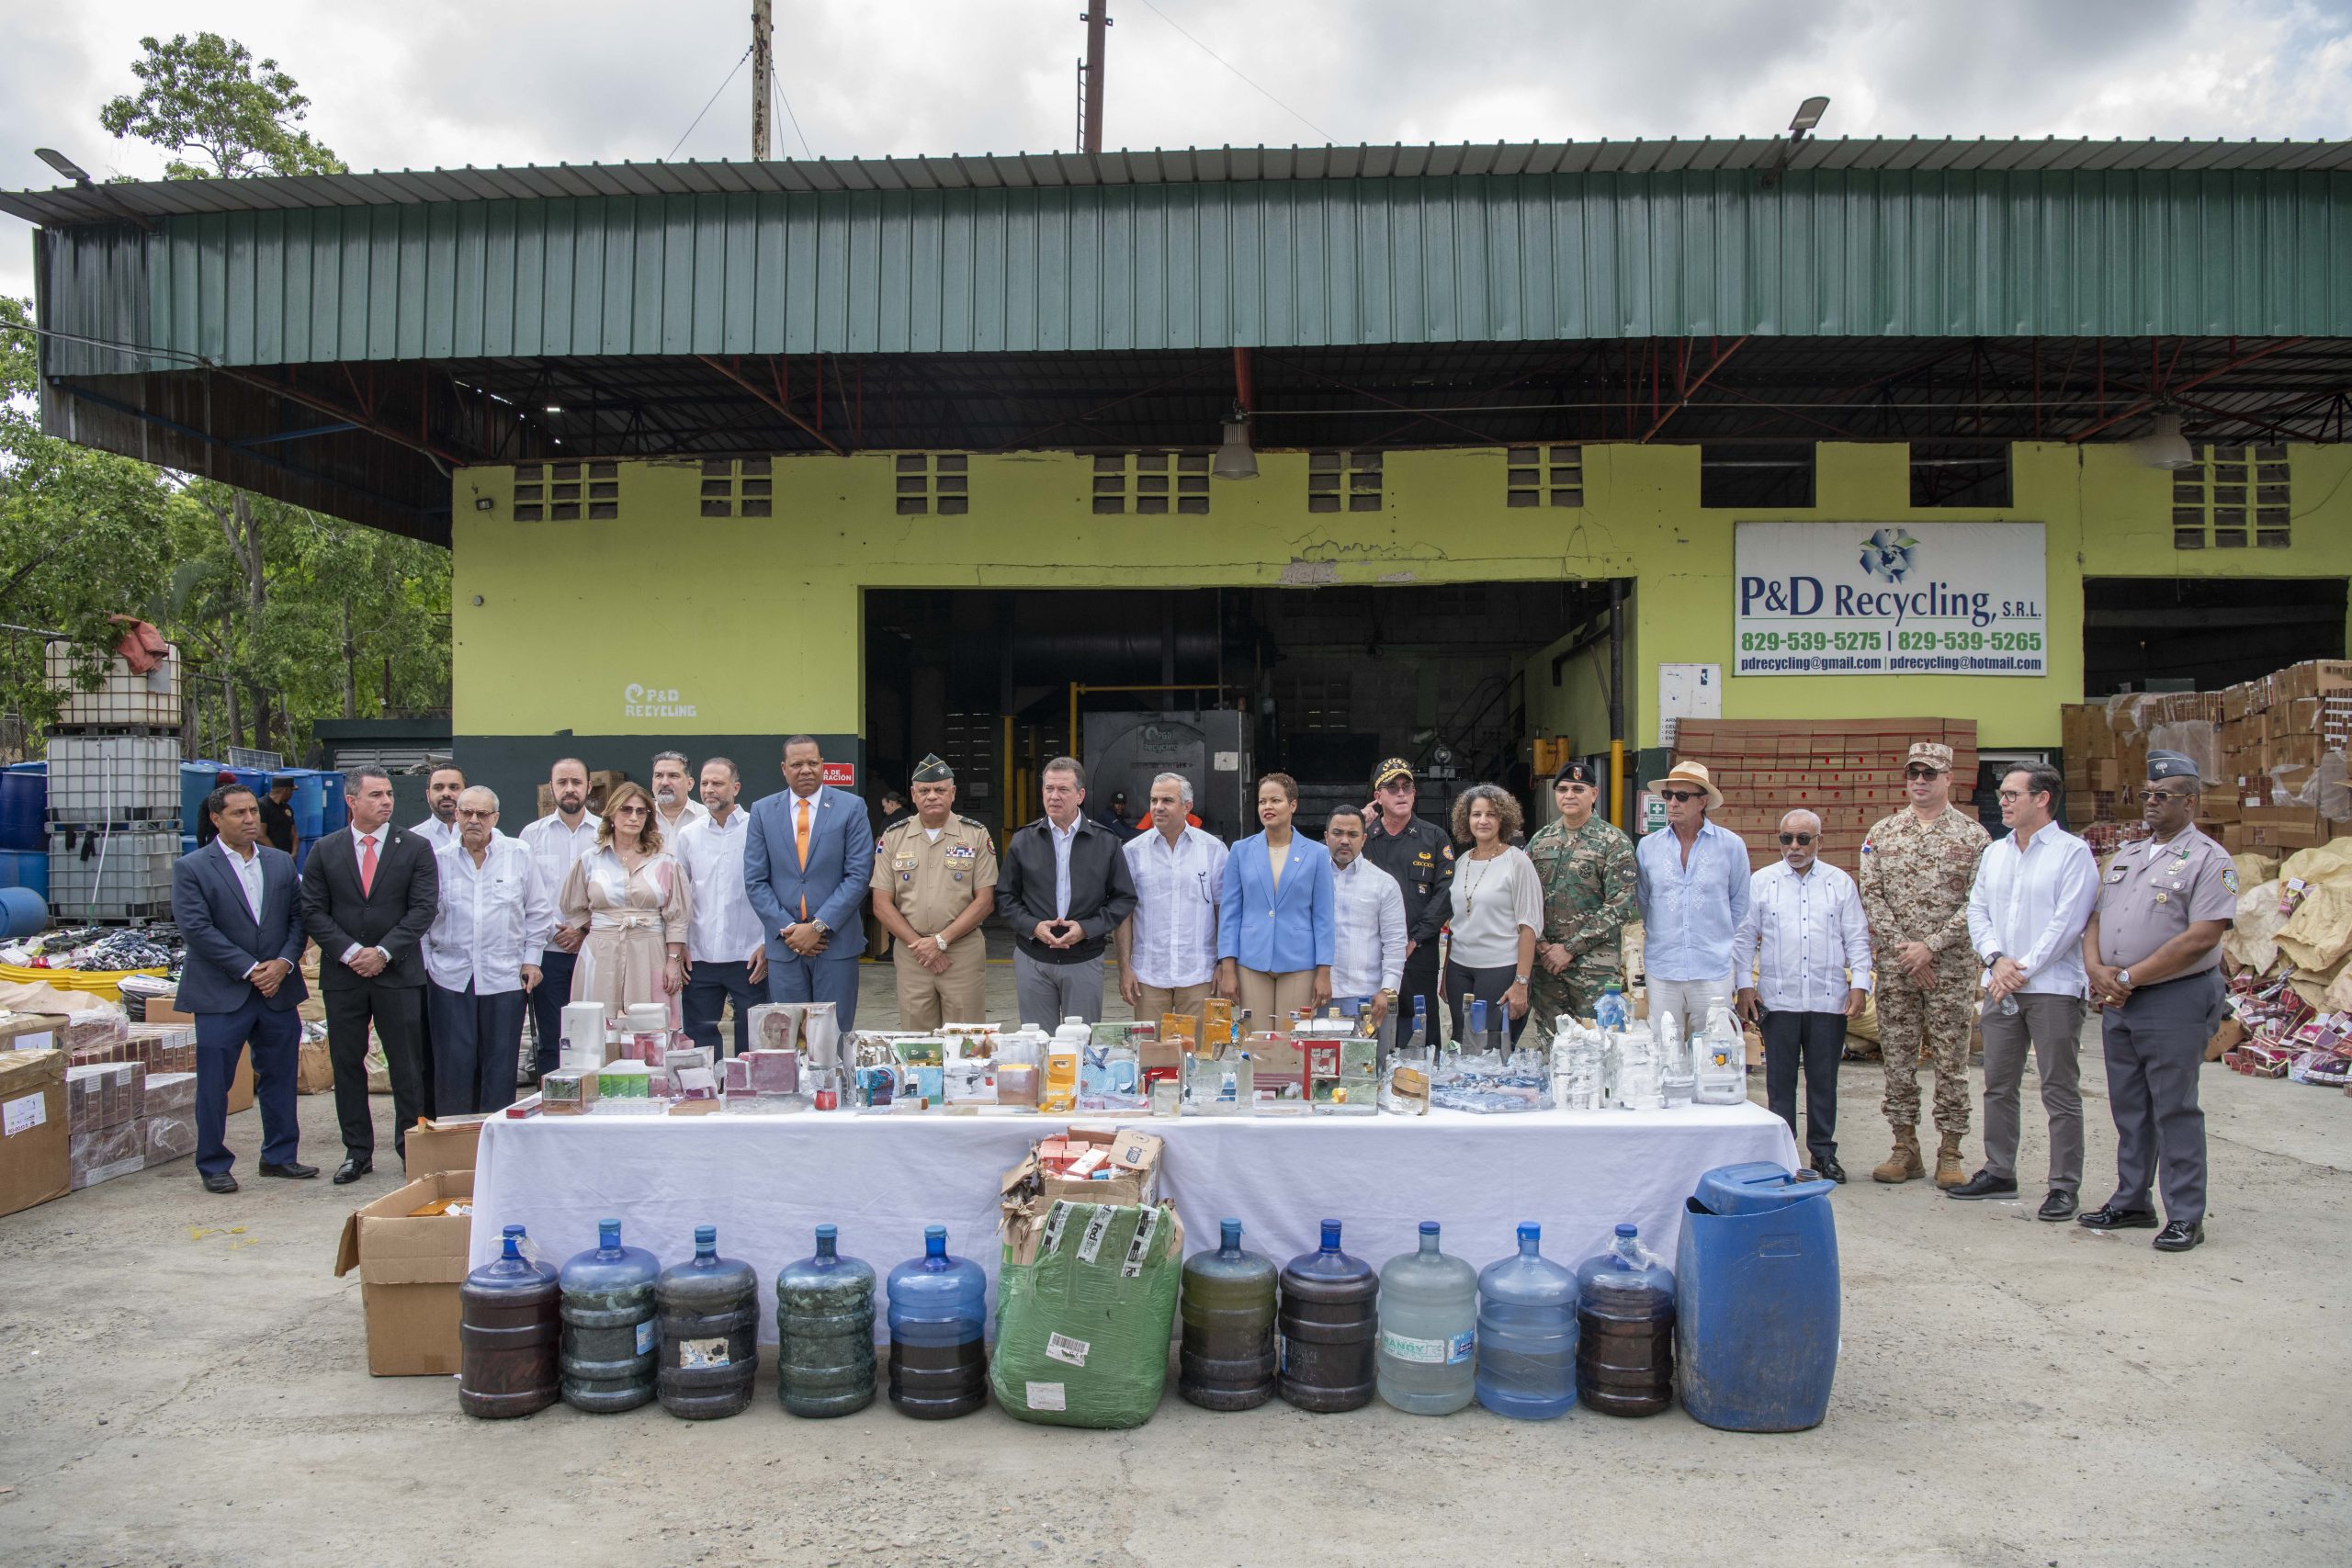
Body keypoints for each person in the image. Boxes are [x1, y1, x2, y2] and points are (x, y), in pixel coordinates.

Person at [2079, 750, 2237, 1253]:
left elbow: (2202, 937)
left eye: (2162, 795)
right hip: (2120, 999)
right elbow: (2096, 920)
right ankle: (2132, 1200)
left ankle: (2186, 1214)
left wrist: (2129, 975)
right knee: (2130, 1108)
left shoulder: (2210, 860)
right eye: (2146, 793)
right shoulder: (2126, 855)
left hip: (2175, 997)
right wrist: (2098, 970)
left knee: (2174, 1108)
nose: (2150, 802)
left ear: (2190, 802)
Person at [1954, 762, 2098, 1217]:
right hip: (2000, 985)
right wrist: (1997, 960)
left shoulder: (2073, 853)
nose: (2003, 801)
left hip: (2052, 987)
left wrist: (2024, 968)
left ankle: (2063, 1186)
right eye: (2003, 794)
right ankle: (1999, 1171)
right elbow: (1976, 910)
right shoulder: (1996, 853)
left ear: (2043, 799)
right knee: (1998, 1084)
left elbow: (2068, 921)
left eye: (2013, 794)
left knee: (2058, 1088)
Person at [1858, 739, 1991, 1189]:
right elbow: (1871, 895)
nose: (1919, 781)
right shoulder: (1883, 833)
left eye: (1929, 774)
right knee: (1897, 1060)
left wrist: (1930, 947)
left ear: (1949, 779)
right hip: (1898, 969)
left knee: (1951, 1062)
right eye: (1913, 773)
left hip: (1949, 970)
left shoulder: (1974, 837)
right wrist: (1907, 951)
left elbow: (1978, 903)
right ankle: (1904, 1147)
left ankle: (1950, 1151)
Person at [170, 784, 313, 1194]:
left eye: (253, 811)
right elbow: (197, 929)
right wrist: (251, 969)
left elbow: (298, 920)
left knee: (281, 1076)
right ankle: (213, 1162)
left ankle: (280, 1156)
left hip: (277, 991)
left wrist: (284, 963)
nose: (251, 819)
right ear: (217, 819)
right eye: (240, 813)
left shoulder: (280, 864)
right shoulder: (193, 867)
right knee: (216, 1083)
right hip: (221, 993)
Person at [300, 764, 439, 1182]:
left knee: (407, 1067)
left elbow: (423, 909)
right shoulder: (326, 849)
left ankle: (410, 1148)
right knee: (346, 1064)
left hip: (397, 973)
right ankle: (357, 1152)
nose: (386, 802)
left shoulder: (413, 847)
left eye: (389, 794)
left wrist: (382, 951)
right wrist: (349, 952)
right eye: (376, 795)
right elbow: (312, 910)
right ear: (352, 801)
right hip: (345, 978)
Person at [1735, 808, 1872, 1183]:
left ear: (1819, 842)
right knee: (1779, 1082)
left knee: (1823, 1080)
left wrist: (1860, 983)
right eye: (1786, 839)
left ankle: (1824, 1154)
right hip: (1778, 999)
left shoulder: (1839, 882)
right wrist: (1744, 984)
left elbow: (1857, 937)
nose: (1794, 847)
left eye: (1802, 839)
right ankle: (1783, 1155)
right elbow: (1745, 938)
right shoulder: (1762, 882)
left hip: (1828, 999)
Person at [422, 786, 550, 1115]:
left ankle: (496, 1142)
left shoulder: (518, 853)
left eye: (482, 814)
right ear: (457, 816)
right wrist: (428, 967)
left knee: (500, 1067)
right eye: (466, 813)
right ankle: (456, 1149)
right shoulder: (438, 861)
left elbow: (537, 912)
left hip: (505, 977)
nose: (473, 820)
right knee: (453, 1067)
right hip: (451, 978)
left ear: (495, 817)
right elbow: (422, 919)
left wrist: (532, 961)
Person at [996, 756, 1137, 1028]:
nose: (1054, 796)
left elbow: (1123, 898)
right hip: (1033, 957)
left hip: (1083, 958)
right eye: (1049, 789)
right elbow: (1005, 897)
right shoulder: (1023, 840)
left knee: (1081, 1047)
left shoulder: (1105, 841)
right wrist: (1033, 926)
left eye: (1063, 790)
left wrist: (1087, 928)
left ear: (1080, 795)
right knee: (1038, 1044)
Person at [743, 736, 874, 1029]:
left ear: (823, 766)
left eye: (813, 763)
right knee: (788, 1038)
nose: (806, 770)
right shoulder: (763, 811)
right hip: (785, 947)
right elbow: (755, 880)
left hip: (836, 945)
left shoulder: (851, 808)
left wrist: (817, 927)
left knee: (834, 1036)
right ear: (783, 768)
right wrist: (791, 931)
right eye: (797, 764)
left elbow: (858, 875)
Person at [868, 754, 998, 1029]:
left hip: (961, 952)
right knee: (918, 1043)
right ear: (913, 795)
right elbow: (881, 903)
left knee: (966, 1041)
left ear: (952, 793)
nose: (932, 796)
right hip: (913, 954)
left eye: (940, 790)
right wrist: (921, 946)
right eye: (924, 791)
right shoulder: (894, 836)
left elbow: (985, 901)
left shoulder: (975, 834)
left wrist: (940, 941)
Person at [556, 782, 693, 1027]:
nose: (634, 817)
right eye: (626, 810)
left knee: (649, 1024)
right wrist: (598, 927)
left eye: (641, 812)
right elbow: (573, 905)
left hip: (649, 949)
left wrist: (673, 960)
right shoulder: (590, 860)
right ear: (611, 815)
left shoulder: (664, 862)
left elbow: (677, 916)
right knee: (598, 1026)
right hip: (602, 949)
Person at [1636, 761, 1751, 1042]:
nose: (1673, 803)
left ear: (1703, 801)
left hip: (1712, 965)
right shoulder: (1648, 847)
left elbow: (1739, 904)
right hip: (1663, 964)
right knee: (1664, 1048)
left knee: (1713, 1050)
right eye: (1668, 795)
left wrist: (1715, 935)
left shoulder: (1731, 846)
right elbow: (1644, 901)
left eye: (1682, 796)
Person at [1525, 761, 1639, 1039]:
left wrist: (1570, 949)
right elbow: (1524, 899)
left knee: (1599, 1044)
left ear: (1594, 794)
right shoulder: (1541, 841)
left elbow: (1622, 905)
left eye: (1578, 788)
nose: (1569, 795)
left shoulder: (1614, 842)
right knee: (1551, 1045)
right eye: (1563, 789)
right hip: (1547, 965)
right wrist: (1541, 945)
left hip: (1594, 967)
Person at [1218, 773, 1336, 1023]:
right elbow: (1230, 912)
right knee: (1254, 1042)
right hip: (1251, 958)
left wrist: (1324, 970)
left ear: (1293, 805)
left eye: (1275, 800)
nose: (1267, 807)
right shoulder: (1240, 850)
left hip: (1299, 961)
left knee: (1291, 1043)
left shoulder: (1316, 854)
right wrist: (1227, 968)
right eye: (1262, 802)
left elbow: (1323, 916)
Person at [1116, 772, 1228, 1032]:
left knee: (1200, 1056)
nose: (1158, 807)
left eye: (1167, 800)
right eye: (1154, 800)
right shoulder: (1133, 852)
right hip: (1148, 974)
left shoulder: (1213, 850)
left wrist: (1224, 964)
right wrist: (1125, 969)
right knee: (1152, 1059)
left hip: (1199, 973)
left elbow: (1223, 911)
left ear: (1187, 806)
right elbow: (1125, 915)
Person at [674, 758, 765, 1058]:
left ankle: (749, 1098)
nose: (709, 789)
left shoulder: (758, 829)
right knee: (700, 1043)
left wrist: (767, 945)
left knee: (752, 1043)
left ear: (736, 788)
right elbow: (681, 894)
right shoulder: (689, 835)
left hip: (748, 956)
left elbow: (774, 889)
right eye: (704, 783)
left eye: (717, 783)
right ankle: (704, 1097)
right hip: (699, 957)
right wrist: (680, 945)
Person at [1361, 759, 1454, 1046]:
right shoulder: (1362, 838)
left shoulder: (1434, 837)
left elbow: (1445, 894)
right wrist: (1356, 821)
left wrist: (1414, 939)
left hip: (1418, 953)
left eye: (1407, 787)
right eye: (1392, 788)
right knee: (1372, 1031)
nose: (1401, 794)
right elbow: (1331, 869)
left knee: (1421, 1032)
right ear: (1378, 797)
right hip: (1370, 954)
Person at [1442, 784, 1543, 1045]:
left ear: (1504, 819)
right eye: (1476, 814)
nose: (1483, 820)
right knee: (1461, 1044)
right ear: (1467, 819)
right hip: (1459, 969)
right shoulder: (1462, 861)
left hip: (1499, 969)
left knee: (1490, 1047)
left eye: (1491, 814)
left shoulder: (1517, 862)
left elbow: (1529, 926)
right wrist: (1445, 975)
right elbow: (1456, 921)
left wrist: (1521, 982)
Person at [519, 758, 600, 1077]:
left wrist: (583, 930)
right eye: (562, 782)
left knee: (594, 1034)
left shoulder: (605, 832)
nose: (570, 789)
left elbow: (613, 890)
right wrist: (553, 935)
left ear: (588, 787)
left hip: (592, 950)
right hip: (548, 954)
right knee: (552, 1039)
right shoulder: (530, 835)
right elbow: (525, 894)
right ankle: (553, 1106)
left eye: (576, 782)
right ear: (551, 787)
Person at [1323, 806, 1406, 1029]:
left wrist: (1388, 989)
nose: (1344, 841)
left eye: (1352, 834)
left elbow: (1395, 942)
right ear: (1326, 836)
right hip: (1316, 994)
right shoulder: (1309, 878)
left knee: (1365, 1064)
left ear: (1364, 839)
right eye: (1337, 833)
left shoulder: (1383, 884)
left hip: (1365, 997)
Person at [650, 750, 710, 850]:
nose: (664, 782)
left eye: (673, 776)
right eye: (659, 776)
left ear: (689, 784)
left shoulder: (706, 817)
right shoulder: (641, 816)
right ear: (652, 782)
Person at [413, 764, 465, 852]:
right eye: (438, 788)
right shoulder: (412, 839)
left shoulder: (488, 837)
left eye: (454, 787)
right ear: (428, 795)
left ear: (466, 793)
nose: (446, 793)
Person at [257, 774, 300, 859]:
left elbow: (294, 834)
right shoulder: (262, 805)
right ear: (285, 790)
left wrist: (294, 853)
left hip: (287, 857)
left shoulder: (287, 808)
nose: (292, 794)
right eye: (291, 791)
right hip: (269, 857)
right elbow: (260, 835)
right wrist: (278, 855)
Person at [195, 768, 236, 847]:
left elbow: (201, 828)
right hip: (234, 843)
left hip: (213, 843)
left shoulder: (208, 801)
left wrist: (201, 849)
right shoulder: (238, 802)